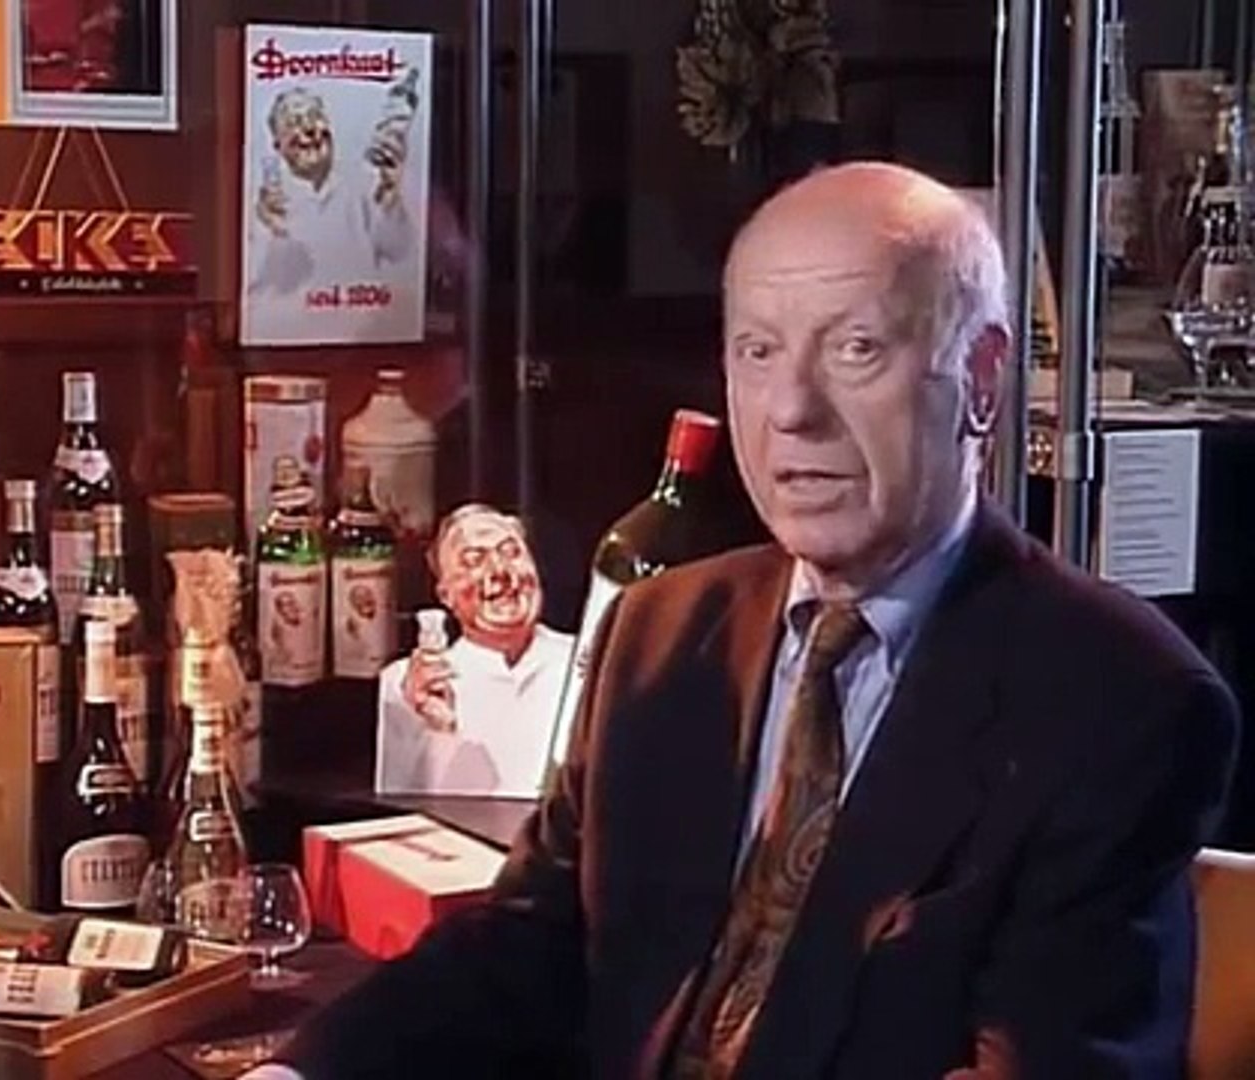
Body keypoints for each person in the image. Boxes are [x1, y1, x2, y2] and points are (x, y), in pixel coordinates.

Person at [243, 162, 1239, 1079]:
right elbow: (529, 946)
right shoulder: (660, 634)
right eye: (757, 352)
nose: (792, 409)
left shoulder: (1122, 702)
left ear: (980, 378)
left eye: (856, 348)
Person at [376, 504, 573, 798]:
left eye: (511, 552)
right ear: (446, 595)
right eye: (473, 560)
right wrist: (438, 730)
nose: (499, 571)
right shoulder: (409, 683)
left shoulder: (587, 660)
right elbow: (401, 804)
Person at [246, 86, 414, 303]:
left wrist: (391, 199)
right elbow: (253, 282)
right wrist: (268, 228)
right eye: (294, 122)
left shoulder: (362, 187)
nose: (309, 129)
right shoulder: (264, 205)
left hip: (356, 315)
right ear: (278, 145)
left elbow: (400, 252)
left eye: (315, 117)